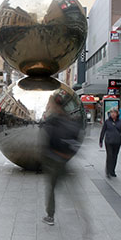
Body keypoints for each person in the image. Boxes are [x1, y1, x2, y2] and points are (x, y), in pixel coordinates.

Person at [41, 91, 81, 225]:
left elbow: (46, 142)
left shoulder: (52, 120)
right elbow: (76, 138)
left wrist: (46, 158)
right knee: (71, 189)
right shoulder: (70, 120)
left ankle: (50, 216)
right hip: (65, 160)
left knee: (51, 189)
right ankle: (83, 217)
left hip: (54, 161)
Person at [99, 108, 121, 178]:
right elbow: (103, 131)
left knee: (115, 156)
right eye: (111, 113)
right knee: (109, 156)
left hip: (117, 141)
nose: (113, 114)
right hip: (108, 141)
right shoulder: (107, 121)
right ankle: (108, 170)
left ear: (117, 114)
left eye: (114, 113)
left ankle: (112, 170)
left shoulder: (120, 122)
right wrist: (101, 140)